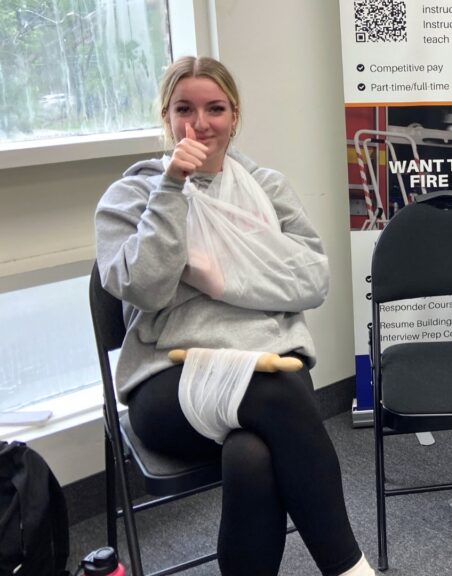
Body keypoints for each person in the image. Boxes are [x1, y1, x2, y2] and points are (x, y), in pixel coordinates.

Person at [94, 56, 374, 576]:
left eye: (214, 109)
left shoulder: (266, 188)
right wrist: (173, 188)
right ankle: (351, 569)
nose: (199, 123)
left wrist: (215, 279)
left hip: (266, 372)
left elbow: (312, 279)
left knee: (253, 455)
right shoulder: (130, 196)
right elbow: (147, 287)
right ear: (166, 115)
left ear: (234, 115)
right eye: (185, 109)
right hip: (169, 384)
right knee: (275, 390)